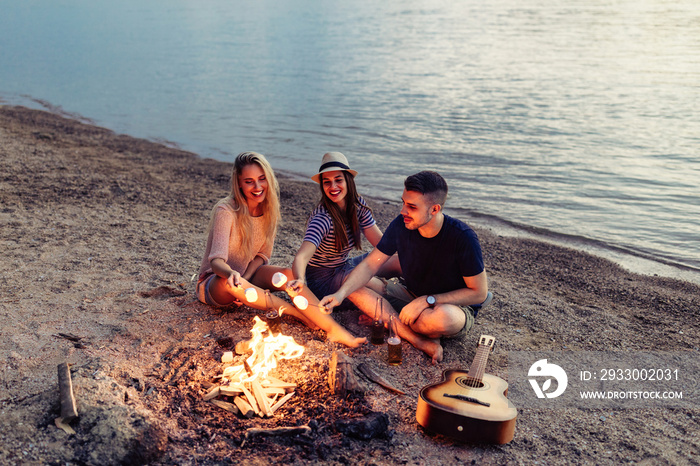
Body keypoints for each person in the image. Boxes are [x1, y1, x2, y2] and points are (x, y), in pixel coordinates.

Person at [196, 151, 365, 347]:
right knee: (231, 283)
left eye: (262, 179)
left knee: (288, 274)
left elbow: (262, 255)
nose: (258, 187)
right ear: (239, 183)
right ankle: (295, 312)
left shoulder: (268, 209)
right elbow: (216, 262)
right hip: (215, 283)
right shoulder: (225, 211)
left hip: (246, 275)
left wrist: (248, 276)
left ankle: (335, 330)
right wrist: (233, 274)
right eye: (249, 181)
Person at [320, 170, 490, 364]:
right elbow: (369, 265)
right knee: (351, 284)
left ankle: (391, 319)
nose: (403, 211)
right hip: (409, 294)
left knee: (441, 319)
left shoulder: (463, 237)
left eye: (411, 206)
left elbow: (479, 293)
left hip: (452, 306)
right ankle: (417, 338)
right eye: (403, 202)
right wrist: (340, 295)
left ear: (434, 209)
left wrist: (427, 300)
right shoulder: (402, 225)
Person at [287, 152, 394, 303]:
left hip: (344, 265)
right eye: (327, 182)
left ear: (348, 181)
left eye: (338, 180)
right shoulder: (322, 219)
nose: (333, 187)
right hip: (322, 280)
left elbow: (381, 245)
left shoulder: (358, 206)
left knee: (396, 260)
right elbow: (301, 256)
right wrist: (299, 278)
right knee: (376, 286)